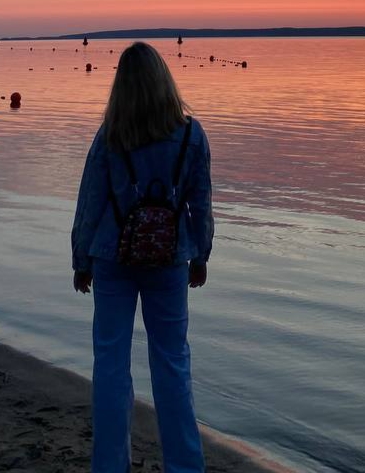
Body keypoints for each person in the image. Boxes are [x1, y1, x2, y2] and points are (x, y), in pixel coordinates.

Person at [71, 42, 214, 473]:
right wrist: (201, 253)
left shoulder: (110, 137)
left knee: (110, 363)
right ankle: (185, 466)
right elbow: (200, 204)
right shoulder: (191, 134)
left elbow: (91, 202)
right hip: (169, 260)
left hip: (112, 260)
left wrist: (81, 259)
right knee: (172, 363)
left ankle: (110, 466)